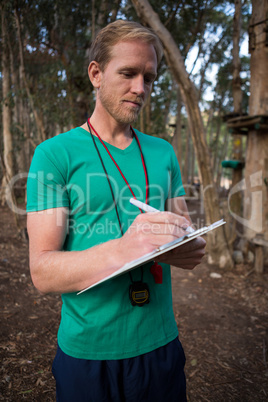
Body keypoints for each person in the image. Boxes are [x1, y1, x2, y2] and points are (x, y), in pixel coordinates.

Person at [27, 20, 206, 402]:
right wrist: (126, 247)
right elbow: (42, 272)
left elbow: (183, 234)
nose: (140, 88)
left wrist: (191, 248)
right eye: (128, 73)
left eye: (149, 77)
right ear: (96, 73)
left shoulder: (163, 152)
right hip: (89, 354)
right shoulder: (54, 155)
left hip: (160, 346)